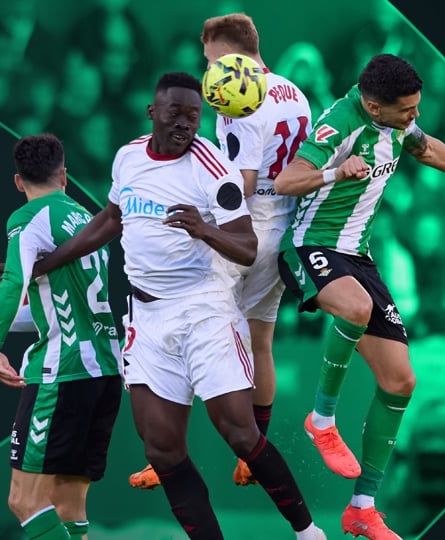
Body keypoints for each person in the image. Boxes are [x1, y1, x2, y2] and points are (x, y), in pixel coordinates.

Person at [32, 72, 326, 540]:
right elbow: (110, 219)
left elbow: (247, 247)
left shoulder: (213, 167)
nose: (186, 124)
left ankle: (309, 533)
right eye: (176, 113)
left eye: (194, 115)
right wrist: (46, 263)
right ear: (153, 112)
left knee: (240, 433)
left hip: (204, 309)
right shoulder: (129, 157)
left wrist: (203, 229)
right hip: (146, 316)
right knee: (162, 449)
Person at [273, 53, 445, 540]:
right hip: (311, 244)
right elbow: (287, 181)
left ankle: (362, 509)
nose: (415, 116)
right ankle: (321, 419)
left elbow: (426, 149)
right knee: (355, 307)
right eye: (407, 110)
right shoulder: (339, 124)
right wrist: (334, 172)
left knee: (401, 381)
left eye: (416, 107)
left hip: (359, 256)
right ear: (374, 106)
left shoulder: (396, 121)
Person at [127, 12, 313, 491]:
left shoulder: (236, 97)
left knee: (191, 329)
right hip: (283, 225)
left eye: (209, 60)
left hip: (244, 227)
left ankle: (166, 454)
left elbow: (242, 183)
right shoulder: (293, 91)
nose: (208, 70)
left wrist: (203, 212)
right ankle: (253, 452)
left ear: (227, 54)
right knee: (260, 341)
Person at [0, 133, 123, 540]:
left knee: (24, 502)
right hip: (104, 372)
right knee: (67, 504)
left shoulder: (27, 218)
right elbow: (58, 308)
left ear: (18, 181)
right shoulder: (85, 217)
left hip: (61, 374)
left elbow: (13, 281)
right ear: (64, 175)